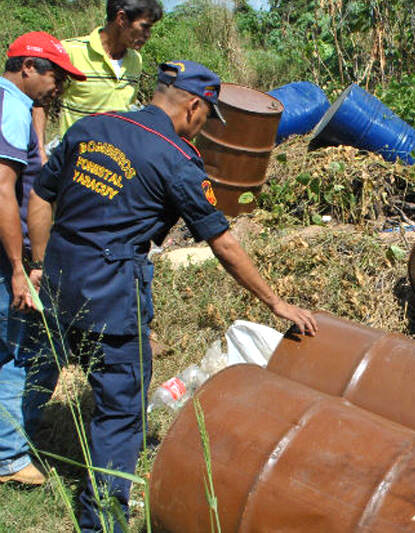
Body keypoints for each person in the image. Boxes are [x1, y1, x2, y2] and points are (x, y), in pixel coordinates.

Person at [27, 59, 317, 532]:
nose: (204, 128)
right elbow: (222, 242)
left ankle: (15, 454)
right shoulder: (176, 158)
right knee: (120, 407)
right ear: (194, 106)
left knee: (40, 370)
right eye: (207, 118)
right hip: (111, 295)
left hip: (59, 281)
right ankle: (102, 520)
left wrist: (39, 263)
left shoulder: (91, 126)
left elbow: (41, 195)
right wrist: (276, 303)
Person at [0, 33, 85, 485]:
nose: (60, 87)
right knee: (23, 350)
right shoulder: (12, 106)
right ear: (28, 67)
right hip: (5, 255)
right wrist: (19, 266)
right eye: (56, 75)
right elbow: (4, 189)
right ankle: (10, 459)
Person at [32, 0, 163, 159]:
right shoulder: (71, 51)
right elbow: (40, 102)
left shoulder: (135, 60)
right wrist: (39, 151)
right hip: (73, 160)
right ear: (121, 19)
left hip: (112, 166)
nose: (147, 35)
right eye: (144, 27)